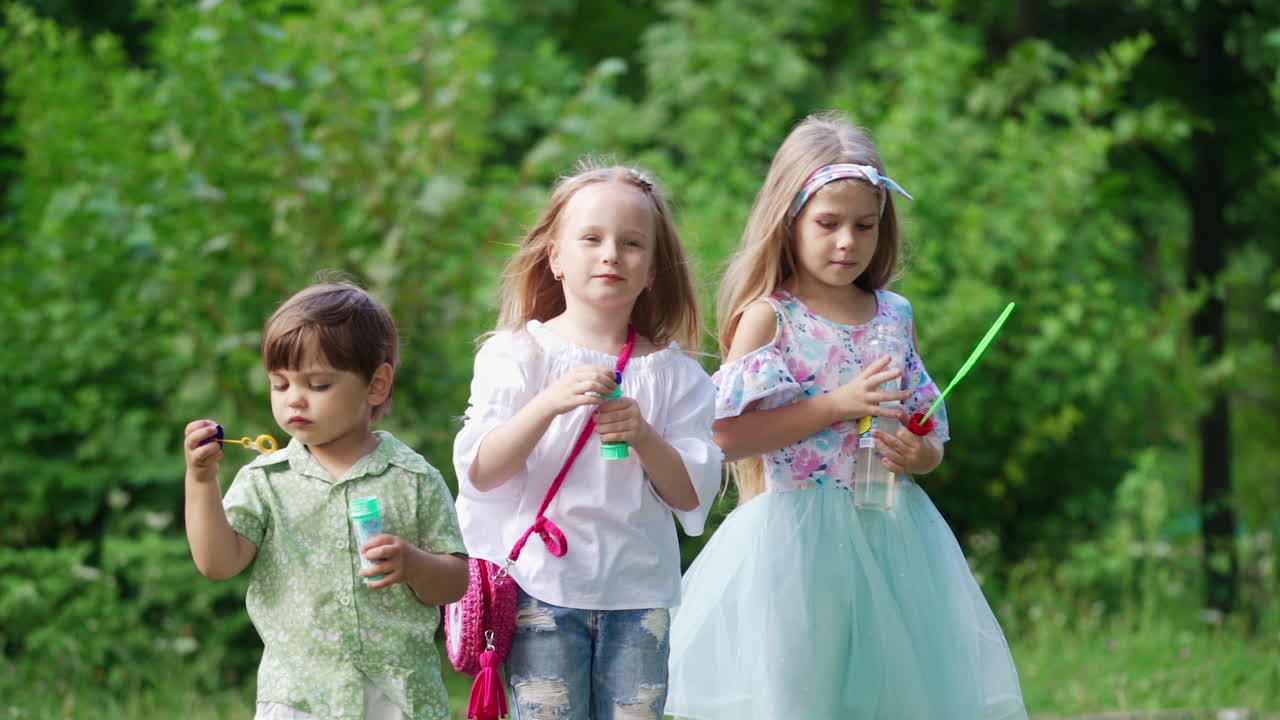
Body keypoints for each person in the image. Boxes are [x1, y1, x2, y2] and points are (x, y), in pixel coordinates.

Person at [666, 112, 1029, 720]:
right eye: (828, 224)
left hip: (893, 533)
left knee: (893, 691)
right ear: (790, 221)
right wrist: (835, 406)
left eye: (864, 226)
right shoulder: (771, 319)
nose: (847, 242)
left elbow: (927, 428)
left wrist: (922, 455)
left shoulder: (893, 314)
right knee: (801, 692)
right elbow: (724, 437)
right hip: (795, 538)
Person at [453, 162, 722, 720]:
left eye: (631, 243)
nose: (611, 255)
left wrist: (644, 435)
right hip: (541, 589)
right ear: (555, 258)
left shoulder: (676, 376)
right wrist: (548, 403)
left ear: (651, 270)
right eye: (592, 239)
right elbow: (481, 470)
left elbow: (690, 494)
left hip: (638, 595)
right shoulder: (517, 356)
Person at [182, 280, 469, 720]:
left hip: (397, 696)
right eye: (280, 385)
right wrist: (201, 480)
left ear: (376, 385)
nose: (294, 398)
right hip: (299, 695)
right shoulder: (266, 480)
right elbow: (216, 563)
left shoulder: (413, 479)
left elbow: (456, 583)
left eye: (317, 384)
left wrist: (414, 564)